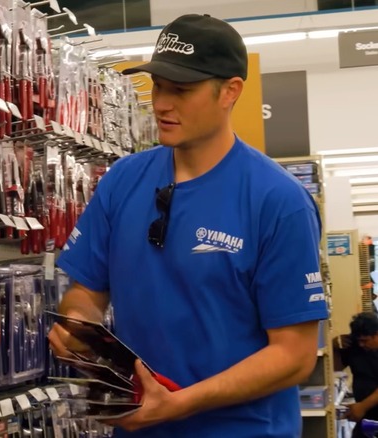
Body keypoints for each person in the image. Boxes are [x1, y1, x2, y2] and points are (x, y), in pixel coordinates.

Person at [49, 13, 328, 438]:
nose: (161, 103)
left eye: (181, 90)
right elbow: (87, 290)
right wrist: (79, 328)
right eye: (158, 86)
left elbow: (294, 355)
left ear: (229, 92)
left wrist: (179, 404)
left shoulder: (278, 201)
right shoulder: (122, 181)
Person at [333, 312, 378, 438]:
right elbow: (337, 368)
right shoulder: (356, 347)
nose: (361, 344)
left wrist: (362, 407)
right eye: (359, 341)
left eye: (365, 340)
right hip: (365, 417)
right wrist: (335, 347)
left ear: (376, 334)